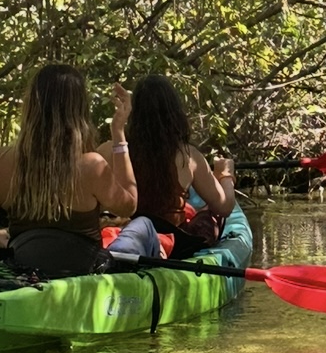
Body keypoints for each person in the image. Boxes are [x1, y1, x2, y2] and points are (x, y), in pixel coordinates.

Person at [0, 64, 136, 277]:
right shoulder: (92, 166)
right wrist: (118, 135)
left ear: (32, 106)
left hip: (23, 272)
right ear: (79, 110)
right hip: (82, 276)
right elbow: (129, 206)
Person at [99, 74, 235, 260]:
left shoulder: (108, 150)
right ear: (174, 113)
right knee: (211, 216)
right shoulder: (188, 155)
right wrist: (226, 175)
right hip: (173, 245)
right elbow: (224, 207)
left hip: (131, 234)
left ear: (134, 112)